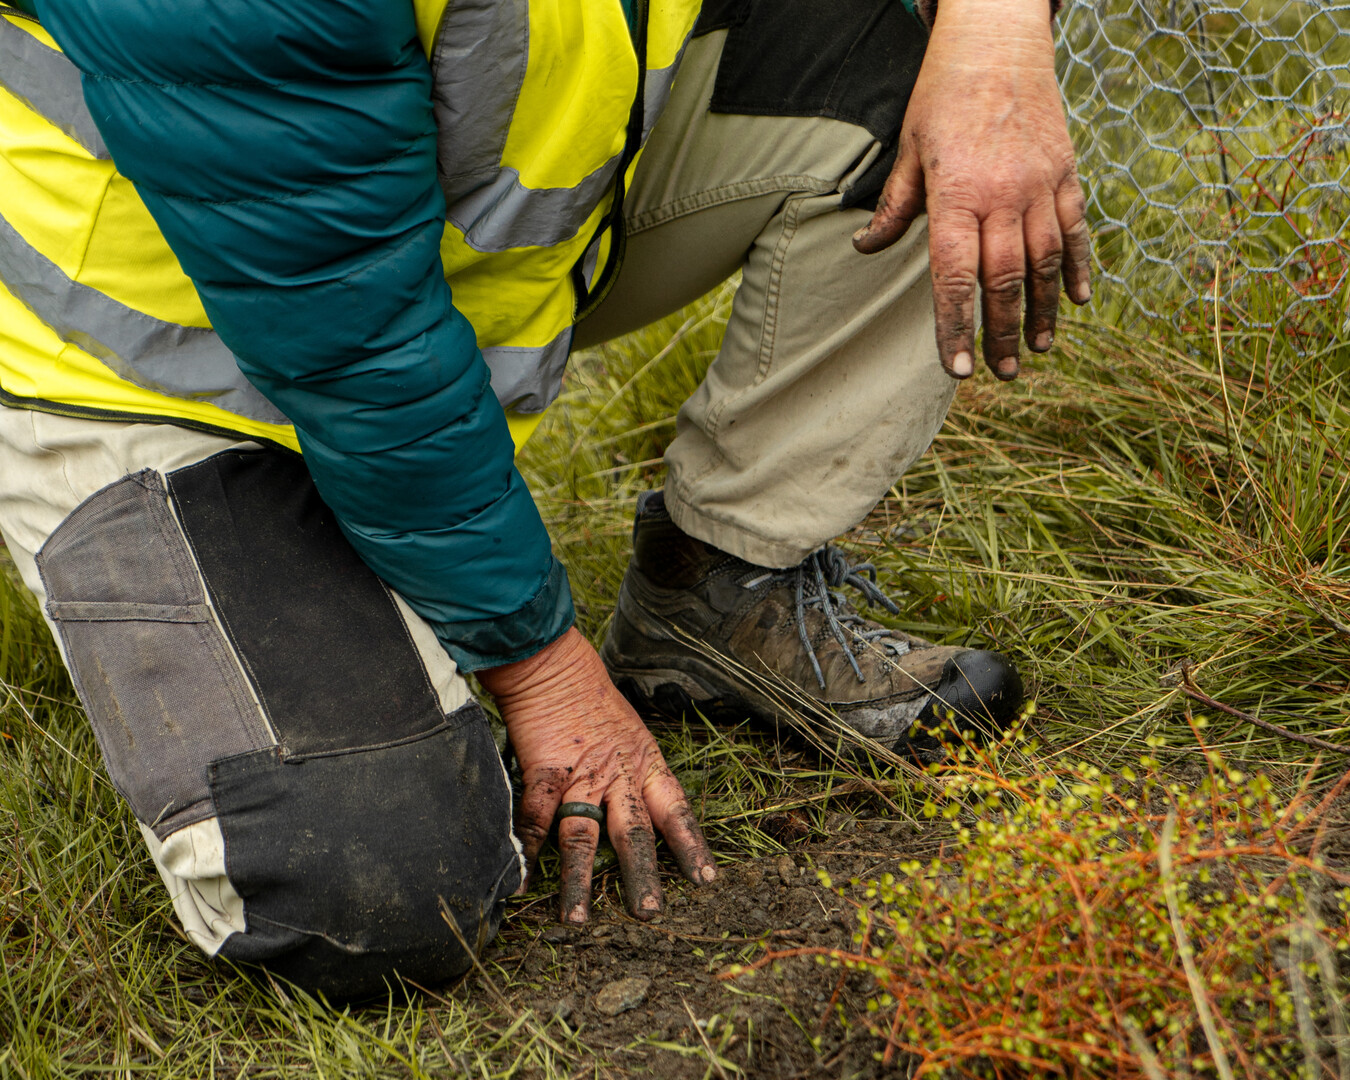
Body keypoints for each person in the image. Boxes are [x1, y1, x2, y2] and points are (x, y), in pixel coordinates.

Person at [0, 0, 1089, 997]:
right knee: (378, 887)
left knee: (930, 81)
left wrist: (996, 41)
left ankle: (723, 586)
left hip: (442, 247)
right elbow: (353, 340)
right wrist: (543, 669)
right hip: (146, 358)